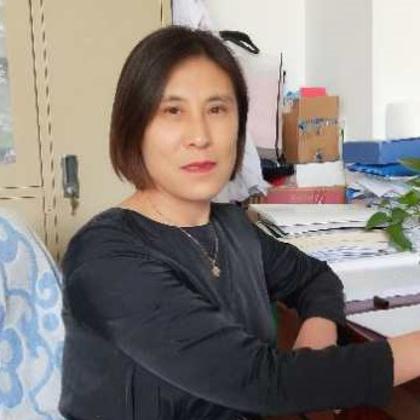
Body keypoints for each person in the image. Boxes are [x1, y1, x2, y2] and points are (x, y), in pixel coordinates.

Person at [59, 26, 420, 420]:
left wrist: (318, 328)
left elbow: (314, 277)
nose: (200, 136)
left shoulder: (231, 226)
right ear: (134, 128)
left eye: (217, 109)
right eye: (173, 111)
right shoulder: (106, 259)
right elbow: (264, 382)